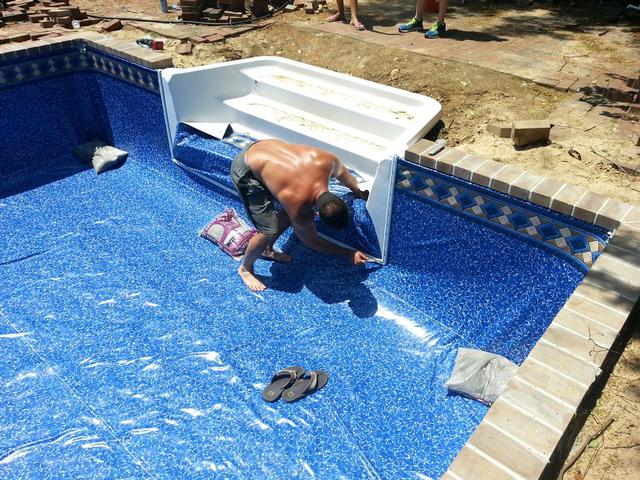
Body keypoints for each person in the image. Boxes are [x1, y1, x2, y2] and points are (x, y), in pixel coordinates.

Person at [230, 139, 371, 292]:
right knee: (267, 230)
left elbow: (346, 176)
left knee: (289, 212)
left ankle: (267, 249)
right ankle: (245, 268)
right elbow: (312, 241)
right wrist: (347, 252)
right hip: (246, 168)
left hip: (264, 147)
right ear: (317, 214)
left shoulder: (327, 162)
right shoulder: (297, 204)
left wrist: (358, 192)